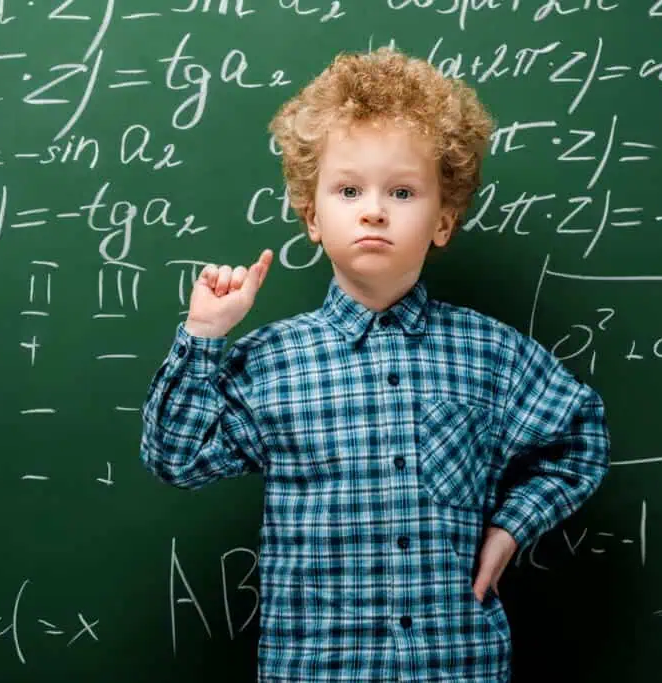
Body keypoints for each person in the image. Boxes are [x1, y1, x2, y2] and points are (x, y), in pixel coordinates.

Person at [139, 46, 610, 682]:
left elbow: (579, 438)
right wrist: (203, 336)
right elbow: (176, 460)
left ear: (443, 219)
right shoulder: (271, 363)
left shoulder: (491, 354)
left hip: (454, 664)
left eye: (403, 191)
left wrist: (509, 529)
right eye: (349, 189)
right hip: (315, 667)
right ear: (312, 215)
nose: (374, 209)